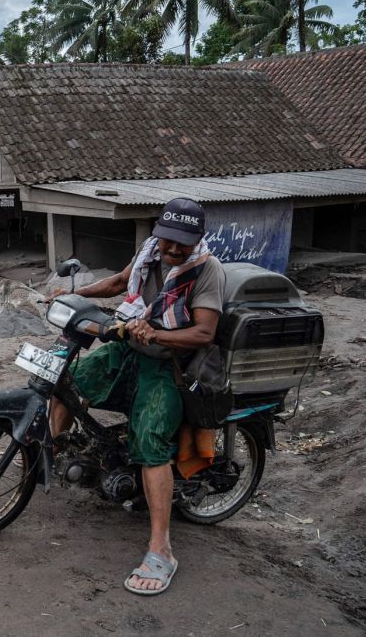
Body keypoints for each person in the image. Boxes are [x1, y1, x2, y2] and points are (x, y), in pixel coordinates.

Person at [47, 197, 225, 596]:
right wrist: (70, 296)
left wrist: (156, 333)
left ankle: (161, 548)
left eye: (183, 242)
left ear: (198, 239)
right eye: (168, 240)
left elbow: (203, 333)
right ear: (157, 233)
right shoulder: (149, 252)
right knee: (65, 382)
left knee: (150, 442)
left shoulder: (207, 270)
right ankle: (55, 455)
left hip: (169, 366)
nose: (174, 249)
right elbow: (117, 283)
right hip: (129, 347)